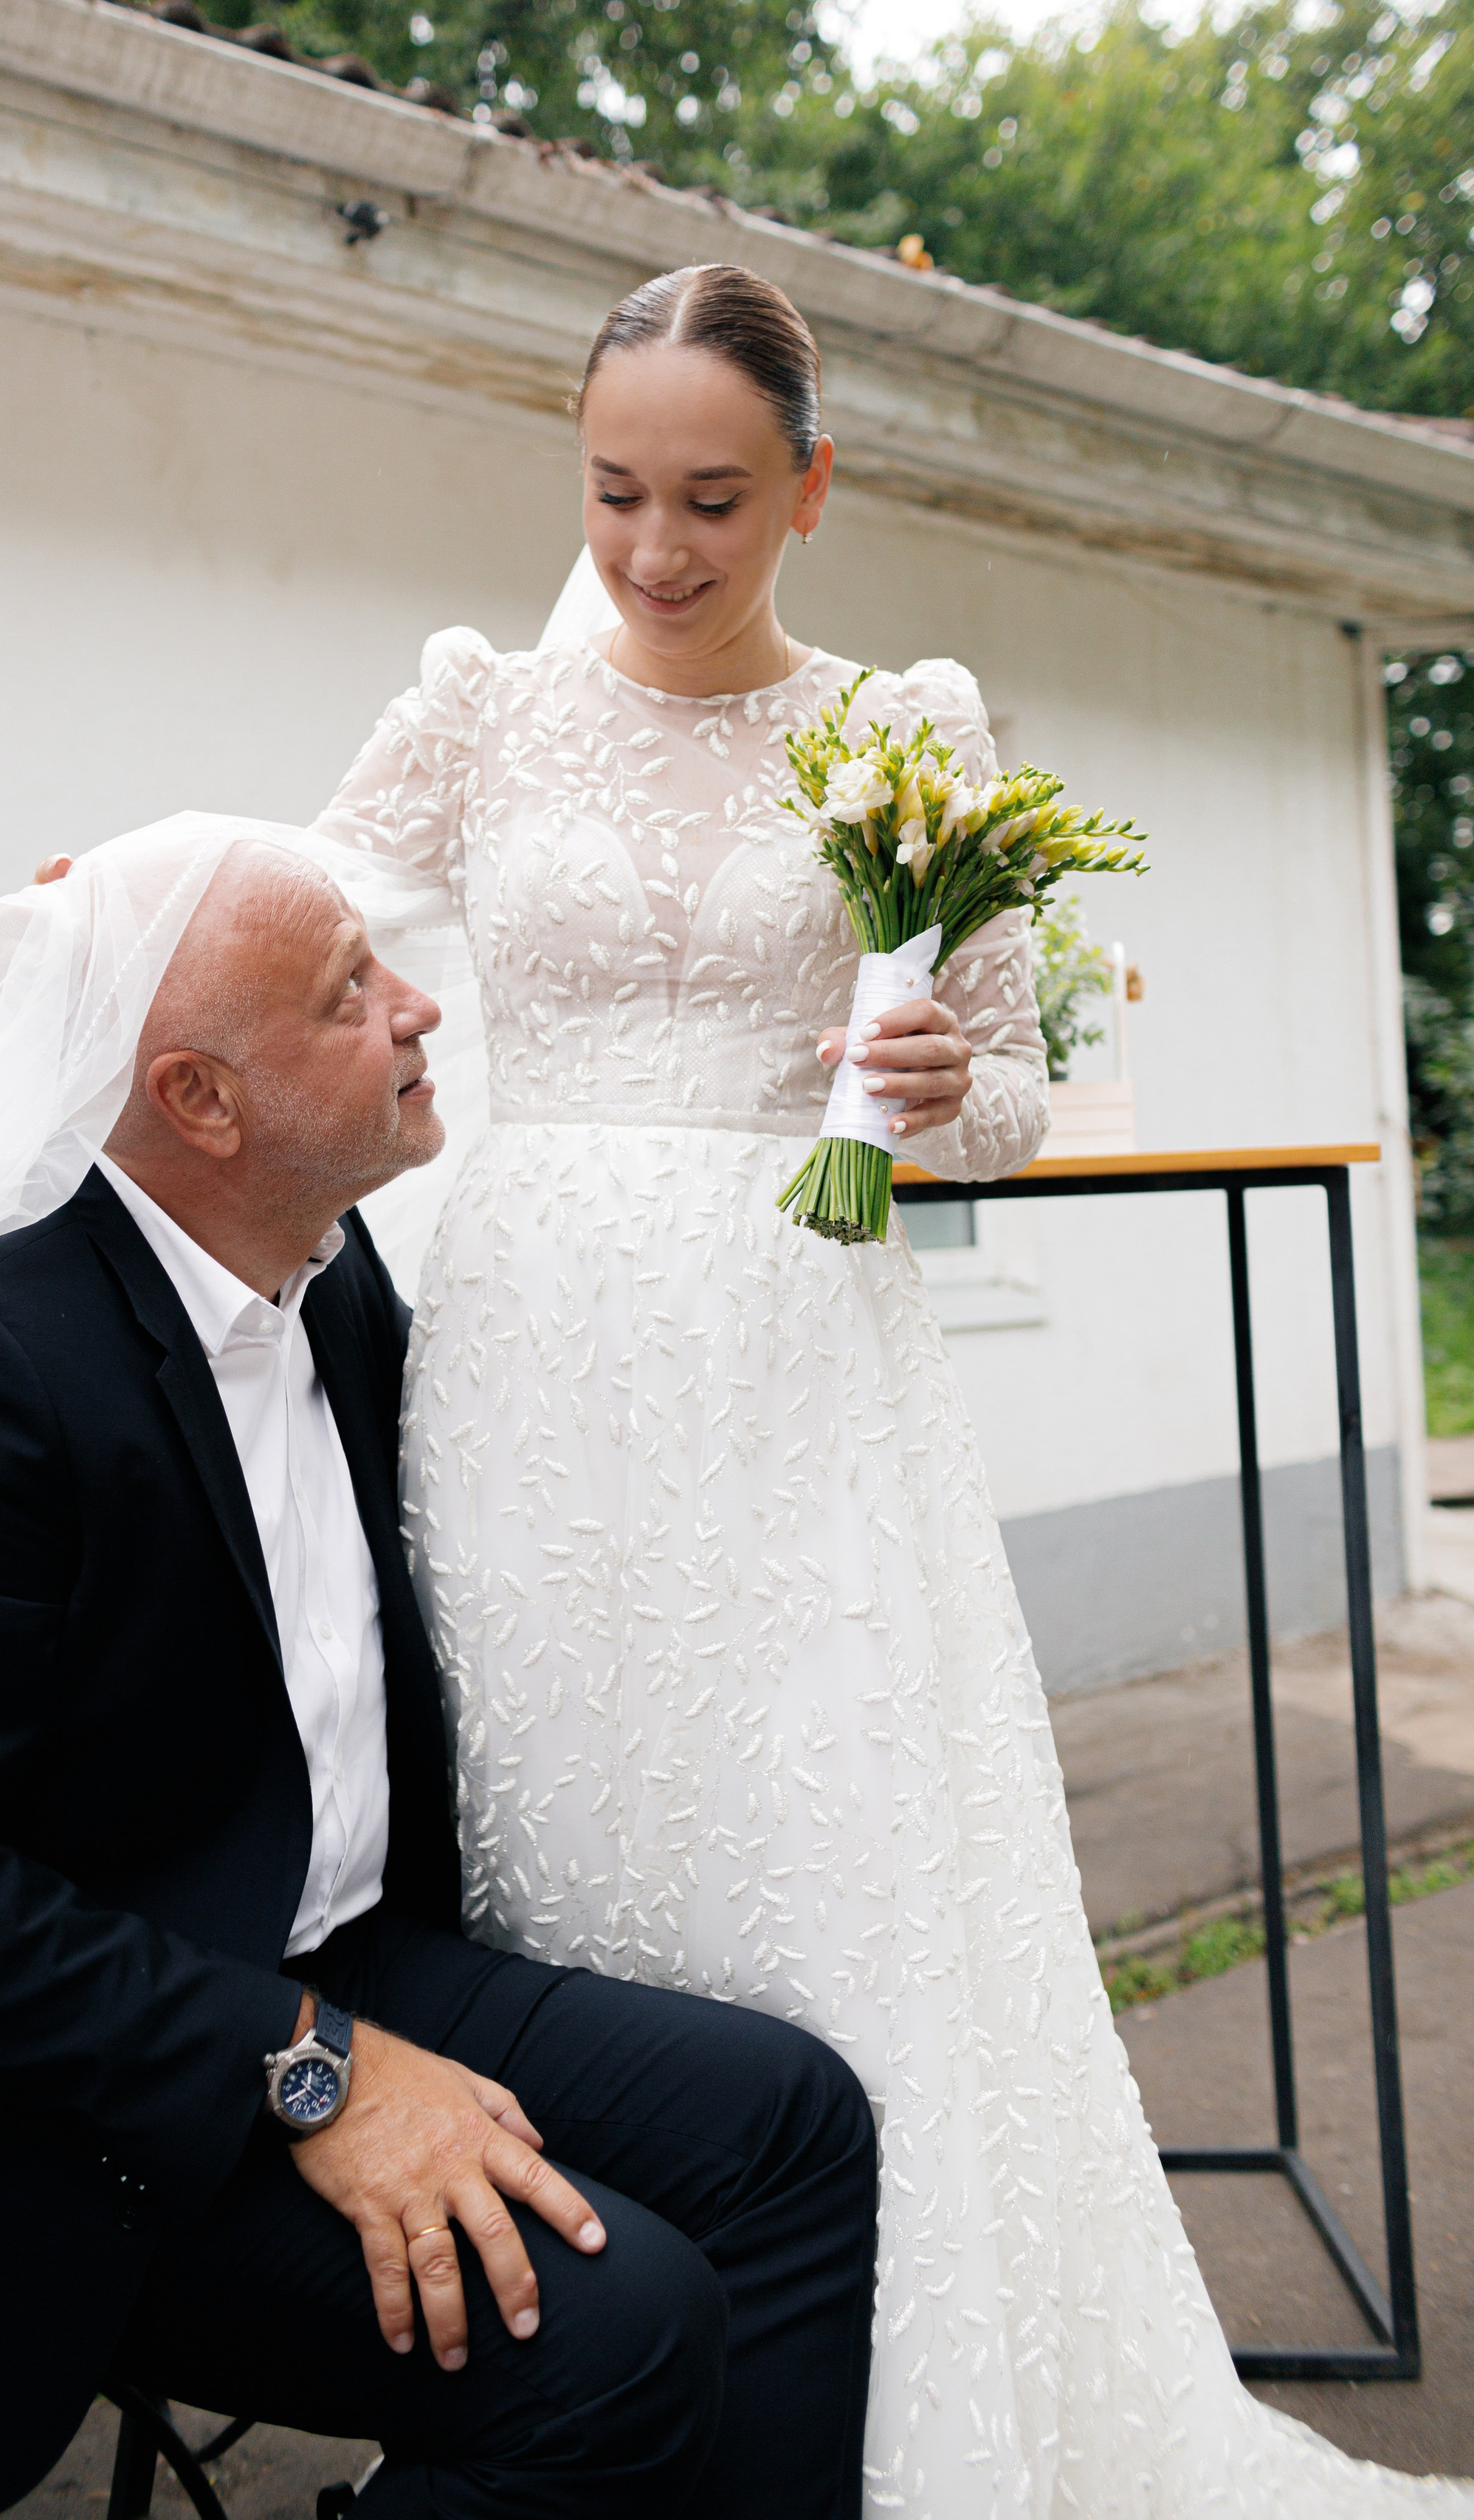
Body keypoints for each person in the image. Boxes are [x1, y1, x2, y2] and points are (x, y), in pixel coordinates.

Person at [273, 263, 1474, 2515]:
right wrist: (100, 919)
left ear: (812, 485)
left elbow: (1013, 1095)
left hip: (798, 1380)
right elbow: (297, 906)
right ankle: (586, 2393)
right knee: (559, 1858)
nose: (652, 546)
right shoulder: (484, 712)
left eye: (712, 496)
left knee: (826, 1871)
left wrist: (940, 1083)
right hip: (525, 1377)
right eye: (614, 490)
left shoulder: (901, 728)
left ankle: (884, 2426)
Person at [0, 832, 879, 2519]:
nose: (420, 1009)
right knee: (621, 2329)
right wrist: (305, 2069)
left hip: (340, 1956)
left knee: (787, 2124)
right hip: (64, 2112)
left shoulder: (329, 1274)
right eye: (352, 990)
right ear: (201, 1101)